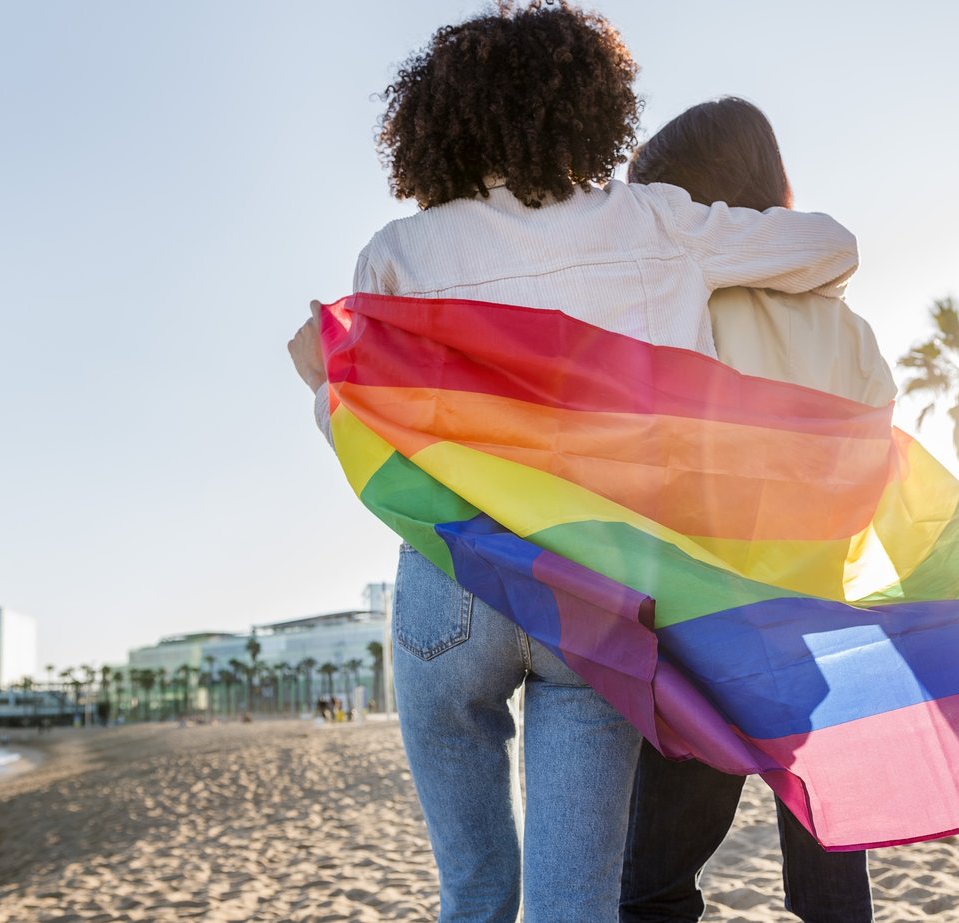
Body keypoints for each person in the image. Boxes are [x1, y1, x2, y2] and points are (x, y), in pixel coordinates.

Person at [285, 6, 860, 921]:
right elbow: (832, 246)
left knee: (472, 890)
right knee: (575, 904)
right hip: (596, 587)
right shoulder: (658, 220)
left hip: (452, 582)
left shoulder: (397, 252)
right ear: (594, 108)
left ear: (438, 121)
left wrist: (322, 383)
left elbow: (362, 432)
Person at [618, 97, 883, 923]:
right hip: (817, 627)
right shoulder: (851, 330)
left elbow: (656, 469)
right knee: (831, 866)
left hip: (709, 632)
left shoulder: (686, 314)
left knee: (656, 883)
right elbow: (867, 481)